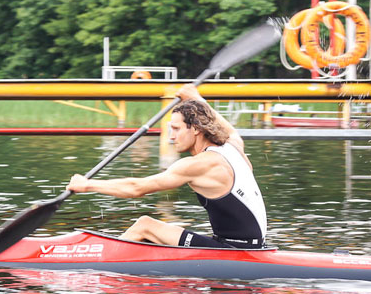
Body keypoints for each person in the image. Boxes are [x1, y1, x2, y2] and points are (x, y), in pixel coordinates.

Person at [66, 84, 267, 249]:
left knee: (145, 225)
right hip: (250, 245)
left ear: (196, 129)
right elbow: (229, 129)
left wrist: (87, 185)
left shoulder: (200, 164)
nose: (171, 136)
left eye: (176, 129)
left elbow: (137, 188)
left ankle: (102, 265)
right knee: (149, 228)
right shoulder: (233, 147)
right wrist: (196, 98)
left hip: (235, 251)